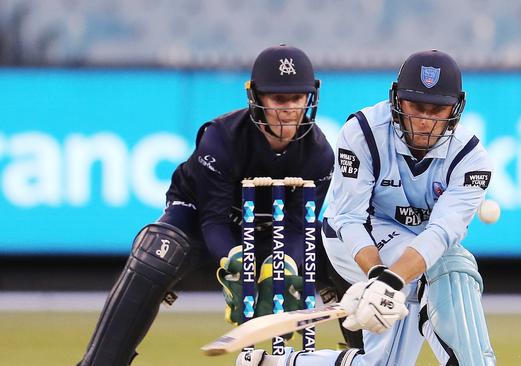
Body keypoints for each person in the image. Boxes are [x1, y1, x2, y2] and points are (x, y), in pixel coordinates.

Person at [77, 45, 335, 366]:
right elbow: (213, 219)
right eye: (279, 99)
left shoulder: (321, 154)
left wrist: (285, 265)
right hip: (199, 219)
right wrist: (237, 260)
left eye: (297, 98)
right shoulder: (222, 138)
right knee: (156, 254)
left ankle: (372, 360)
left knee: (338, 255)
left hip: (272, 229)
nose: (289, 109)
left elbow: (299, 227)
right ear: (257, 98)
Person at [236, 50, 497, 366]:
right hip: (354, 242)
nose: (425, 122)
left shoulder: (470, 158)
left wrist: (390, 282)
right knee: (453, 265)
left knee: (384, 363)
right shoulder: (363, 131)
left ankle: (275, 364)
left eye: (437, 110)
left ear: (456, 109)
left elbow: (441, 233)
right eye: (416, 107)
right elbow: (348, 218)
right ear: (397, 100)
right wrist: (378, 276)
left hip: (416, 255)